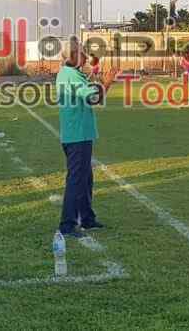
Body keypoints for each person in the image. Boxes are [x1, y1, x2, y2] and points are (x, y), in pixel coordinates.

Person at [55, 37, 119, 238]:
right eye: (81, 53)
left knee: (85, 179)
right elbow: (94, 98)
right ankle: (67, 224)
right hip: (77, 135)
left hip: (78, 134)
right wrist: (107, 83)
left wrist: (100, 83)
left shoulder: (71, 74)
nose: (85, 57)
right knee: (77, 180)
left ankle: (87, 218)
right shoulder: (71, 75)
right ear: (73, 56)